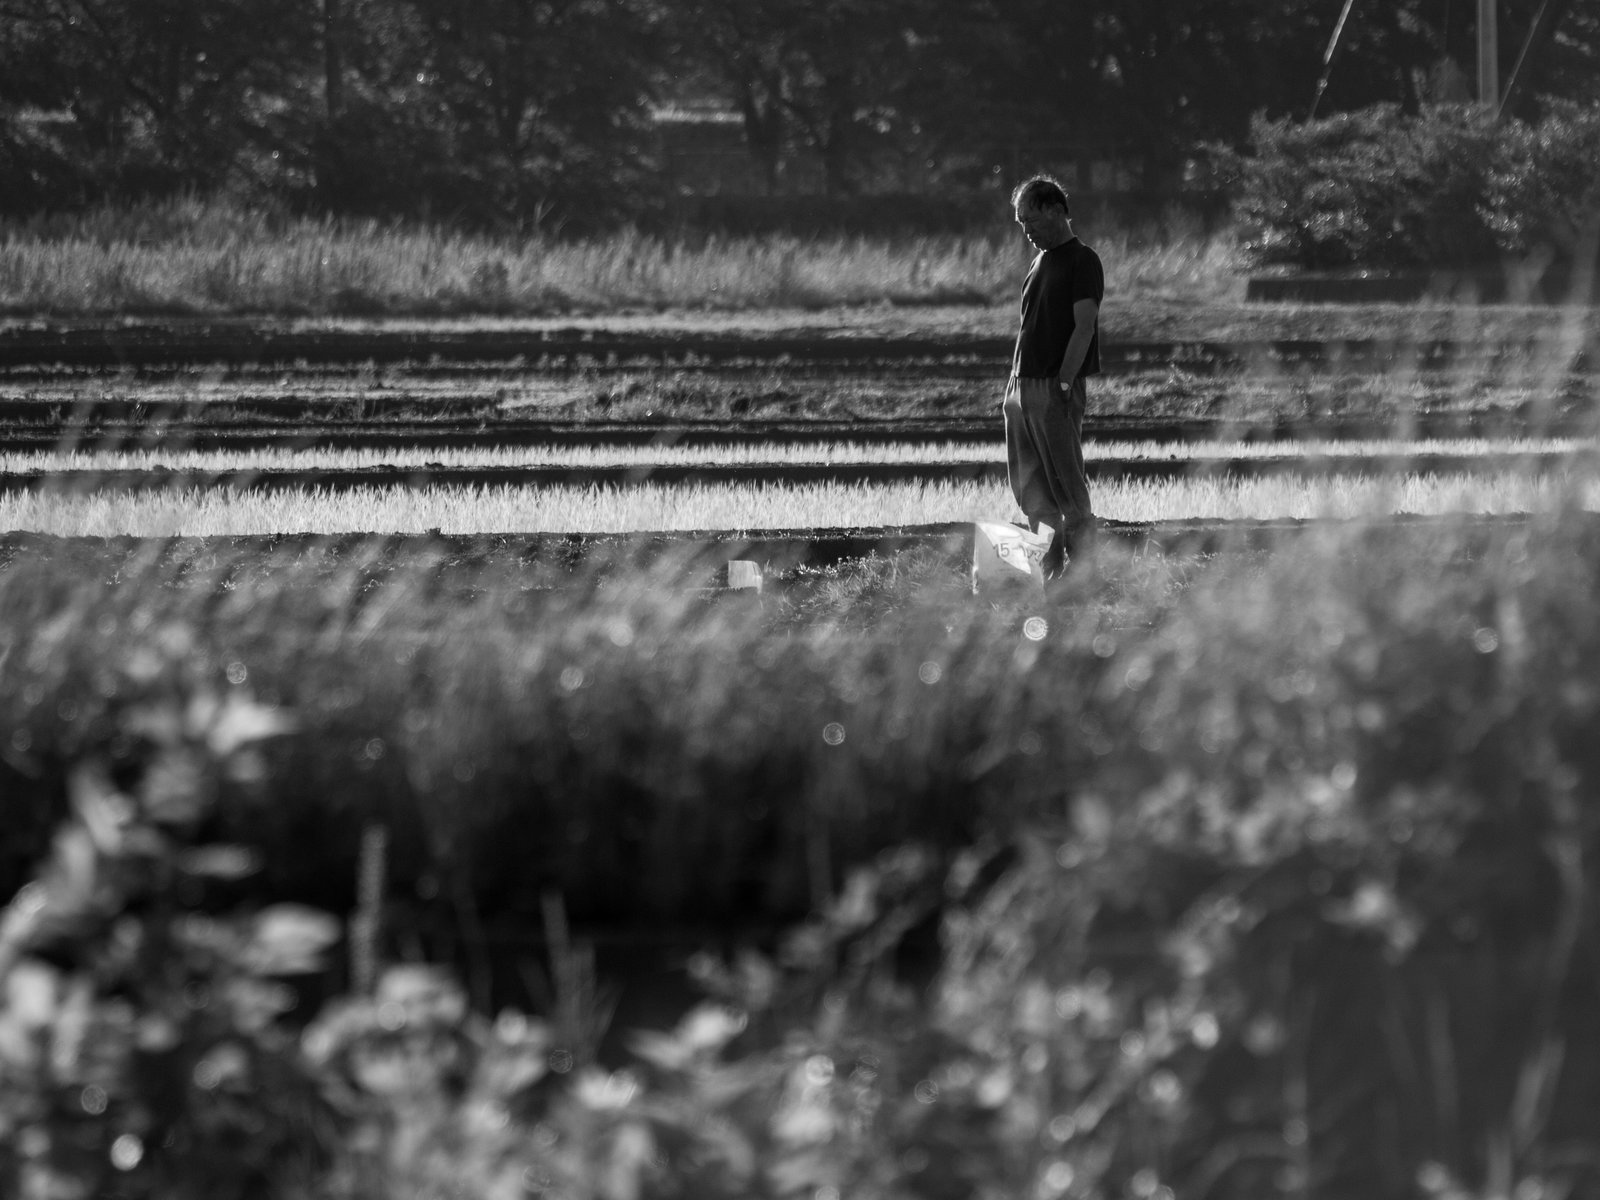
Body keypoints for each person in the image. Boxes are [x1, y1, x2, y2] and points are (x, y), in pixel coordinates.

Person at [1003, 174, 1104, 579]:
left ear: (1055, 210)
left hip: (1053, 387)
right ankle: (1048, 574)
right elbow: (1028, 327)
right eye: (1021, 224)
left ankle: (1083, 574)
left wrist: (1064, 381)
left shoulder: (1083, 260)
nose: (1027, 230)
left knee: (1067, 486)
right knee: (1032, 491)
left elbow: (1085, 326)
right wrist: (1012, 387)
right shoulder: (1038, 262)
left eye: (1031, 220)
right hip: (1022, 387)